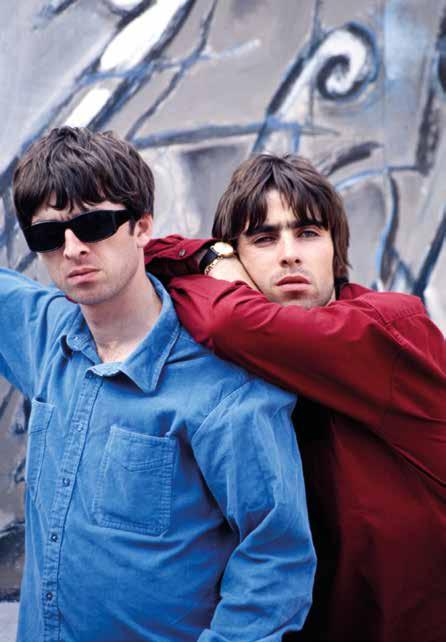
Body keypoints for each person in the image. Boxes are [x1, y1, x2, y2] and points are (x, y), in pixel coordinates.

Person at [4, 130, 316, 642]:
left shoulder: (224, 390)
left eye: (95, 225)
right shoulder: (46, 339)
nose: (73, 248)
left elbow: (276, 560)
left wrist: (212, 257)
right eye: (48, 235)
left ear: (142, 226)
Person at [144, 153, 446, 642]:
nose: (289, 254)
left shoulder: (391, 329)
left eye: (308, 233)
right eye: (264, 239)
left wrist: (210, 259)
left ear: (335, 250)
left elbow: (226, 321)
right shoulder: (238, 370)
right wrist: (209, 257)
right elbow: (148, 259)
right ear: (239, 260)